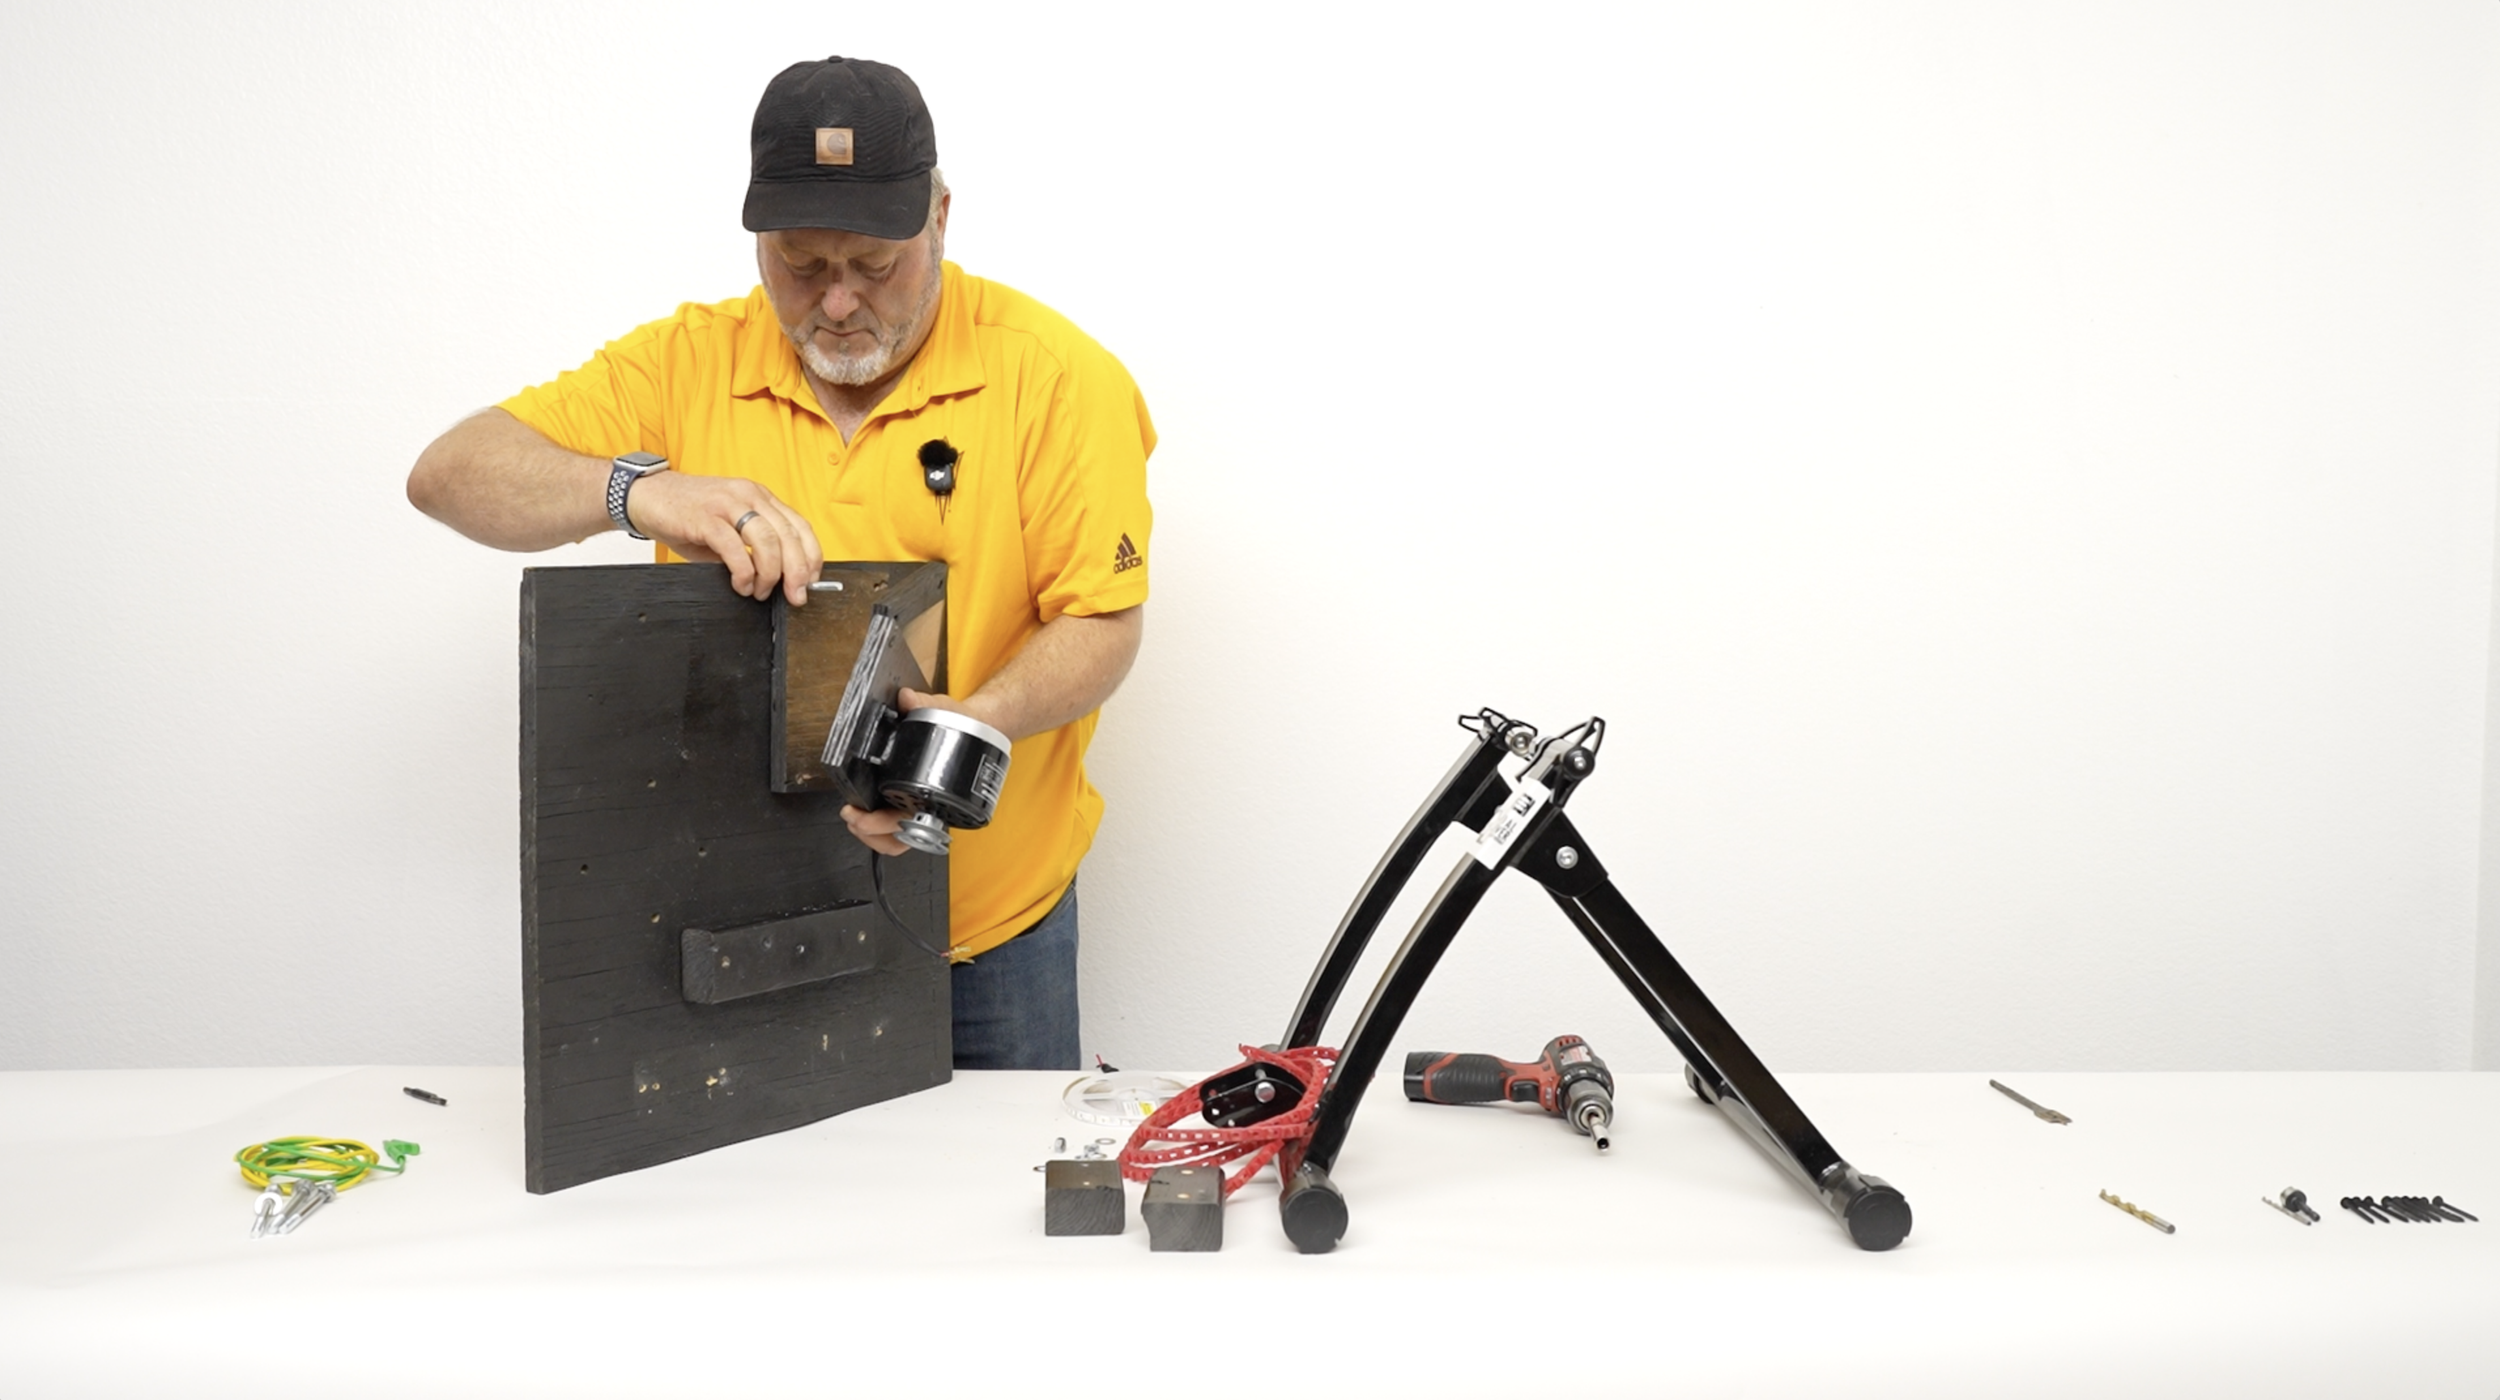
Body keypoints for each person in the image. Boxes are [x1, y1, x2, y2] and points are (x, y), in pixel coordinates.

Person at [406, 56, 1153, 1072]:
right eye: (801, 265)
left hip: (985, 927)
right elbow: (447, 474)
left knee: (988, 1223)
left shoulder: (1060, 379)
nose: (838, 303)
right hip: (737, 924)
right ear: (757, 237)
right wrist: (640, 492)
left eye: (875, 265)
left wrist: (969, 727)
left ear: (939, 217)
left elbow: (1101, 622)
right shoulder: (686, 361)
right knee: (758, 1222)